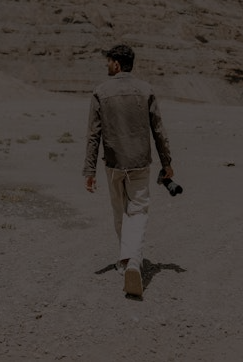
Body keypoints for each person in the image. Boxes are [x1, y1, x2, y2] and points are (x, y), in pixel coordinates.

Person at [83, 44, 173, 298]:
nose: (106, 65)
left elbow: (93, 135)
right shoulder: (146, 90)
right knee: (138, 210)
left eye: (109, 61)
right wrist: (166, 162)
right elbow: (158, 130)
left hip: (114, 164)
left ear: (117, 63)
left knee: (120, 211)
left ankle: (126, 262)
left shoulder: (101, 91)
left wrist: (89, 170)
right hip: (140, 163)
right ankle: (133, 260)